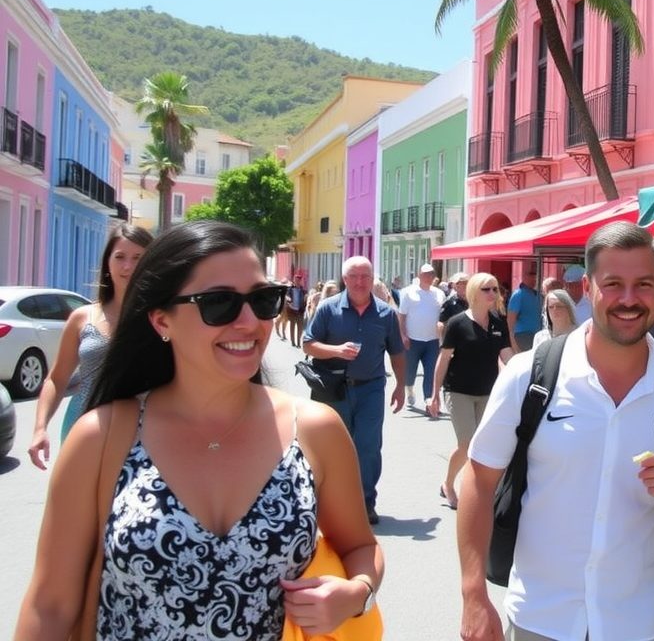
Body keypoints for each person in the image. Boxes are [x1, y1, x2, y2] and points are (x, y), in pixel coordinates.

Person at [16, 220, 383, 639]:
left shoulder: (315, 429)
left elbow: (361, 547)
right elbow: (50, 606)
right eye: (218, 303)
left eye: (263, 300)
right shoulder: (99, 438)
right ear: (161, 322)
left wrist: (356, 594)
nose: (249, 322)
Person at [457, 222, 654, 641]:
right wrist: (473, 593)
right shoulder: (531, 375)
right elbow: (478, 479)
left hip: (638, 622)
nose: (629, 299)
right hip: (541, 616)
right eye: (613, 283)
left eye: (644, 284)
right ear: (588, 287)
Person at [27, 223, 153, 469]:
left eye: (138, 258)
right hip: (84, 426)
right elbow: (56, 378)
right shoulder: (83, 317)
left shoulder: (165, 318)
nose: (128, 266)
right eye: (120, 257)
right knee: (76, 504)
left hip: (145, 435)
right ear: (108, 263)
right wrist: (40, 428)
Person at [304, 256, 407, 525]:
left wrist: (400, 385)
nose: (360, 282)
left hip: (371, 389)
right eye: (354, 276)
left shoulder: (385, 314)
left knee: (368, 447)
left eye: (365, 276)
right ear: (345, 279)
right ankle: (328, 501)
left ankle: (365, 502)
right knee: (333, 446)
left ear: (373, 280)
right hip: (333, 388)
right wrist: (335, 351)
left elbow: (396, 352)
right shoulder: (328, 308)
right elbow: (308, 344)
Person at [429, 273, 513, 506]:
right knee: (467, 444)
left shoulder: (498, 323)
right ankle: (448, 484)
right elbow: (444, 359)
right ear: (474, 292)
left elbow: (507, 356)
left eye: (495, 289)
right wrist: (434, 394)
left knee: (483, 444)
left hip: (489, 392)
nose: (493, 294)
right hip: (459, 390)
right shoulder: (457, 323)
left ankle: (477, 490)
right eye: (487, 289)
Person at [398, 263, 446, 409]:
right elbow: (401, 316)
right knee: (410, 371)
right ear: (419, 275)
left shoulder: (439, 293)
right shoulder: (409, 293)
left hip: (432, 340)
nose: (428, 276)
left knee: (431, 371)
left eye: (431, 274)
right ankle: (409, 388)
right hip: (413, 339)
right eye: (425, 274)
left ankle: (428, 400)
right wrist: (403, 335)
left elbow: (443, 316)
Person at [506, 264, 542, 352]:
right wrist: (513, 343)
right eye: (531, 274)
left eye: (535, 274)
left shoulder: (538, 295)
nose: (534, 278)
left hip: (538, 335)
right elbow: (510, 321)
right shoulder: (518, 295)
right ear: (523, 276)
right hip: (523, 336)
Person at [285, 278, 306, 348]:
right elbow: (287, 296)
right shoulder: (290, 289)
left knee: (300, 328)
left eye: (299, 281)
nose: (297, 282)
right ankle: (293, 341)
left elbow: (305, 299)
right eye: (296, 281)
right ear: (294, 281)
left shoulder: (303, 291)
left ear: (300, 282)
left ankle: (298, 342)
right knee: (292, 326)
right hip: (292, 310)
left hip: (300, 311)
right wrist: (288, 299)